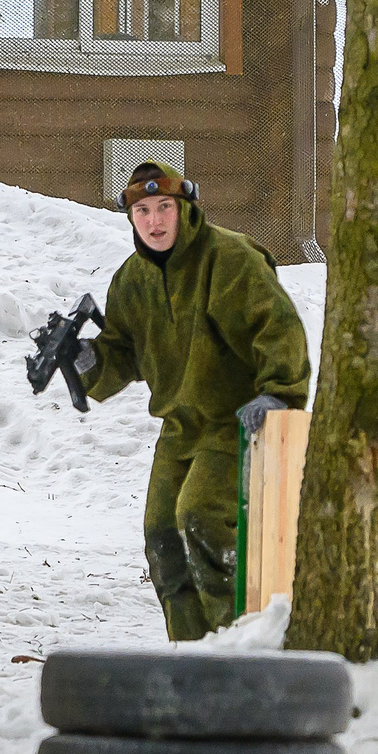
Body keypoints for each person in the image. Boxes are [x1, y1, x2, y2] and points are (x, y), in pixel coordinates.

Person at [73, 162, 311, 642]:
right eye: (143, 211)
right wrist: (83, 360)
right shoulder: (132, 280)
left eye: (164, 208)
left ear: (184, 208)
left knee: (199, 516)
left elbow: (278, 325)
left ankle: (237, 640)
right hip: (180, 427)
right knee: (161, 534)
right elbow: (121, 356)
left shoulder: (229, 258)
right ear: (130, 217)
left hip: (239, 419)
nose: (155, 221)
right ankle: (190, 650)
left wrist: (279, 393)